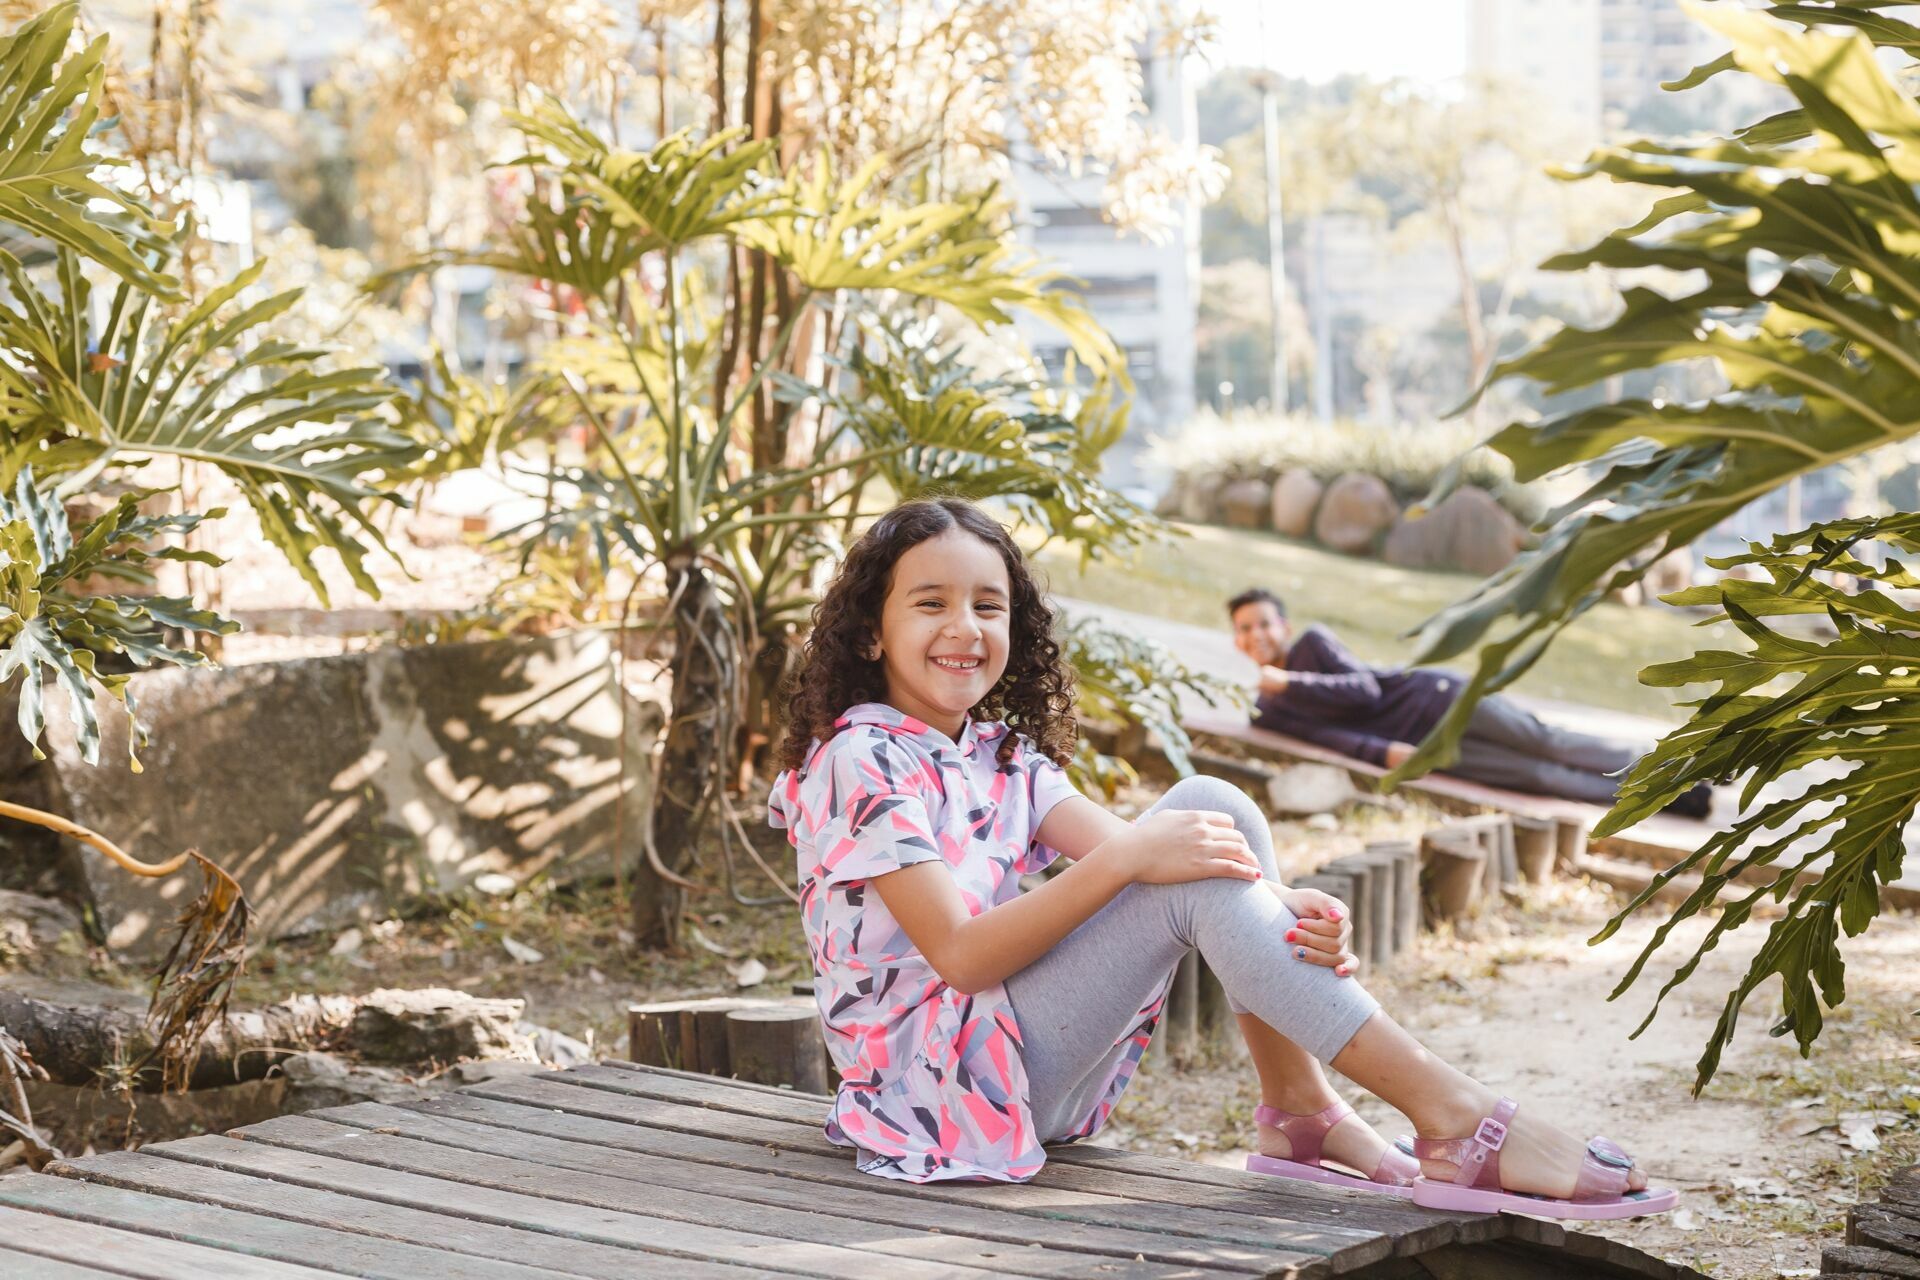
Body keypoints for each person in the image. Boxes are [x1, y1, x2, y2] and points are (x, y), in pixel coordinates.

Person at [767, 496, 1677, 1220]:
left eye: (987, 604)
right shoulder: (859, 759)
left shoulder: (995, 753)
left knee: (1215, 806)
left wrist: (1282, 907)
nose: (964, 626)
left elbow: (1168, 849)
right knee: (1182, 868)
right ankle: (1454, 1116)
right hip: (936, 1094)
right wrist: (1144, 863)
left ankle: (1302, 1114)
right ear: (871, 632)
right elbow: (964, 956)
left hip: (1005, 1062)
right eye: (930, 603)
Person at [1226, 587, 1712, 817]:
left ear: (1284, 626)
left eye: (1265, 623)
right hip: (1424, 744)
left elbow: (1364, 690)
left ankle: (1685, 764)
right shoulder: (1269, 710)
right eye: (1246, 628)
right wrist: (1382, 753)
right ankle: (1669, 795)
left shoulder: (1312, 646)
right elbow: (1325, 735)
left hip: (1441, 699)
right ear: (1236, 641)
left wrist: (1288, 681)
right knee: (1539, 777)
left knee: (1548, 742)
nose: (1257, 634)